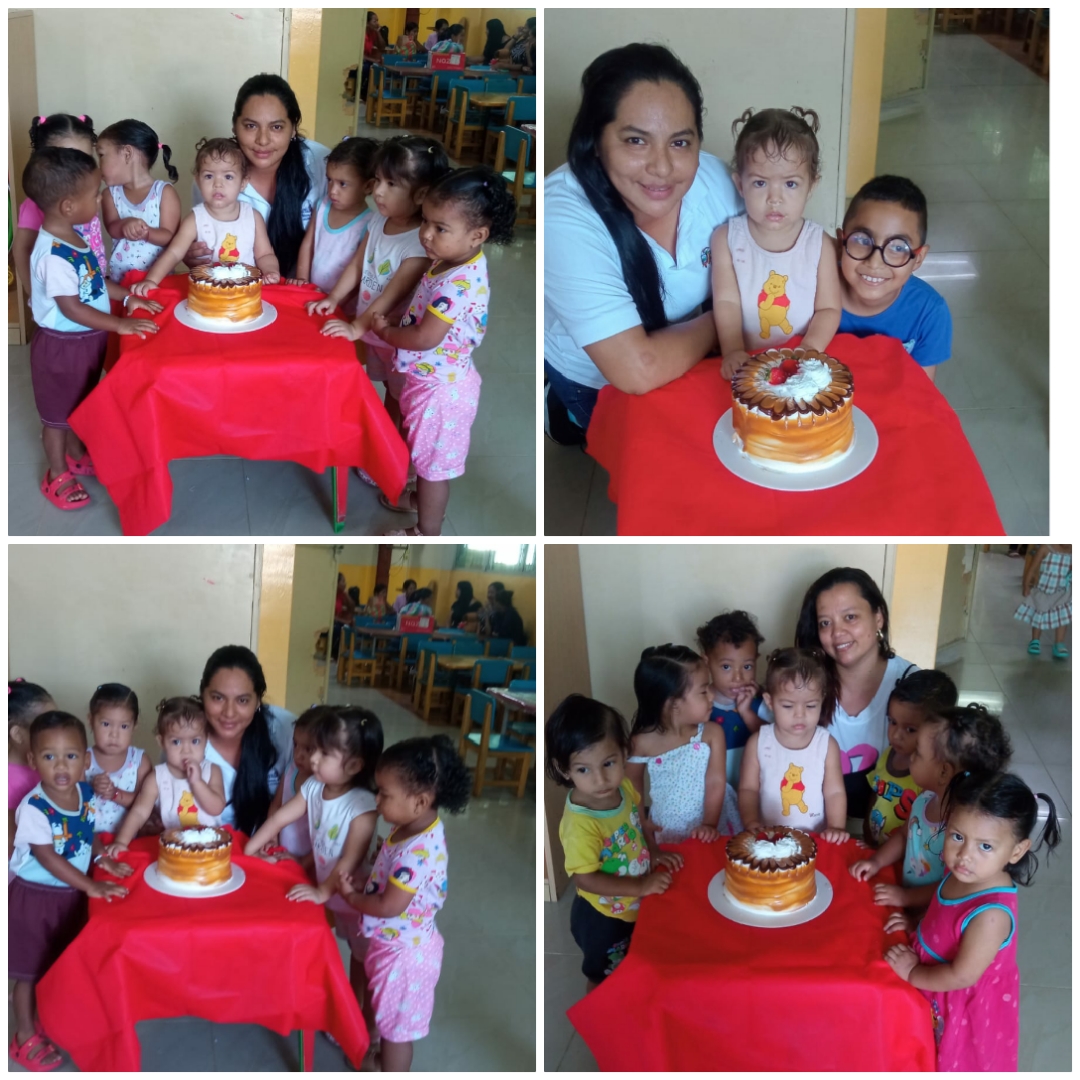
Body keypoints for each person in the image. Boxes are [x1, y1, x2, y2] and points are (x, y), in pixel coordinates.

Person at [545, 44, 742, 444]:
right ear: (596, 141)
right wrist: (728, 320)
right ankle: (563, 410)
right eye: (636, 141)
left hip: (685, 346)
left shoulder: (717, 181)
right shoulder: (563, 217)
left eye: (680, 142)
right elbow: (637, 370)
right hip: (598, 378)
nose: (662, 167)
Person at [372, 167, 517, 536]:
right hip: (435, 380)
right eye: (425, 221)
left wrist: (387, 331)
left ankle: (427, 529)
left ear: (477, 235)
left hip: (440, 392)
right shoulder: (453, 259)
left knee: (432, 469)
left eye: (440, 228)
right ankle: (419, 499)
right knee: (425, 455)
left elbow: (424, 337)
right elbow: (427, 311)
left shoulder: (458, 282)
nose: (425, 234)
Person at [884, 772, 1060, 1071]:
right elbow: (942, 904)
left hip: (960, 1002)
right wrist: (918, 928)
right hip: (936, 977)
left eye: (985, 846)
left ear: (1017, 851)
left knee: (954, 1062)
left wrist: (913, 973)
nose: (964, 855)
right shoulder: (966, 872)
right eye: (957, 836)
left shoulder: (991, 915)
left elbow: (961, 976)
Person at [22, 147, 161, 511]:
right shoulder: (53, 254)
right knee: (56, 416)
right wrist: (120, 324)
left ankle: (75, 452)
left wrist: (128, 297)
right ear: (68, 206)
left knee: (80, 401)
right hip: (61, 348)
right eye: (94, 194)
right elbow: (73, 307)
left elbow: (94, 284)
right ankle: (56, 473)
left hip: (85, 341)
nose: (100, 199)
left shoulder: (74, 238)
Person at [246, 706, 383, 1049]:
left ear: (354, 765)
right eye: (313, 750)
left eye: (324, 753)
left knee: (367, 964)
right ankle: (350, 1011)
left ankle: (368, 1029)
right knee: (353, 955)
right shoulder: (313, 787)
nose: (313, 759)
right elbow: (279, 818)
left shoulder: (362, 807)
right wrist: (251, 848)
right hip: (335, 893)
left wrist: (322, 892)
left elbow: (349, 861)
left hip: (359, 900)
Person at [335, 736, 468, 1070]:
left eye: (384, 794)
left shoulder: (416, 851)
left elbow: (388, 906)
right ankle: (374, 1051)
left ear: (420, 802)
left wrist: (352, 897)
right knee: (387, 1013)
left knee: (397, 1032)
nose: (377, 800)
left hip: (404, 958)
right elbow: (393, 883)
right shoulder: (408, 828)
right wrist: (368, 881)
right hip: (395, 946)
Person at [9, 711, 132, 1070]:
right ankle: (24, 1036)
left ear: (86, 760)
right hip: (35, 900)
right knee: (30, 972)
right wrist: (91, 884)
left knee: (57, 963)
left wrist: (102, 858)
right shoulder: (34, 807)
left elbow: (85, 833)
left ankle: (48, 1018)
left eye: (71, 756)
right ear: (33, 760)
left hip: (68, 895)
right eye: (49, 756)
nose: (61, 766)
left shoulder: (85, 792)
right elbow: (47, 857)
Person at [313, 137, 448, 439]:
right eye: (378, 180)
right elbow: (357, 264)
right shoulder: (377, 221)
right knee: (388, 387)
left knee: (401, 398)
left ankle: (397, 450)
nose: (378, 191)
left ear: (421, 194)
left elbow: (391, 296)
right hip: (375, 331)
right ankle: (386, 438)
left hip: (397, 338)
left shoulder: (418, 243)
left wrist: (356, 327)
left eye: (391, 184)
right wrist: (334, 298)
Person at [545, 694, 680, 991]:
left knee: (632, 964)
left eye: (608, 763)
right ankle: (600, 1016)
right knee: (602, 978)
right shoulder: (581, 824)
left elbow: (637, 823)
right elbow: (585, 878)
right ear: (565, 769)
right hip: (603, 917)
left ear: (624, 752)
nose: (601, 779)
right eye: (583, 769)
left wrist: (653, 850)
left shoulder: (624, 787)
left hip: (633, 903)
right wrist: (641, 886)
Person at [712, 107, 842, 379]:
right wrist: (733, 350)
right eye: (760, 183)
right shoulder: (726, 238)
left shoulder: (819, 244)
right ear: (740, 185)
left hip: (800, 365)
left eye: (790, 184)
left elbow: (828, 309)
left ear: (811, 186)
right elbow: (726, 302)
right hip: (747, 364)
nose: (775, 198)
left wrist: (809, 348)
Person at [850, 703, 1013, 912]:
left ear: (944, 772)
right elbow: (904, 836)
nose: (911, 757)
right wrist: (876, 862)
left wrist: (907, 897)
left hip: (932, 911)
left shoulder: (961, 829)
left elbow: (953, 883)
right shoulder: (925, 799)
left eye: (917, 753)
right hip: (905, 898)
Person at [794, 567, 917, 820]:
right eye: (825, 623)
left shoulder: (913, 684)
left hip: (893, 836)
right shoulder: (804, 686)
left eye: (850, 617)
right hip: (818, 832)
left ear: (878, 617)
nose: (837, 633)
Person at [182, 75, 331, 278]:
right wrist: (193, 255)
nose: (263, 140)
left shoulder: (322, 164)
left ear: (293, 128)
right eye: (251, 126)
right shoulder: (214, 178)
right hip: (241, 289)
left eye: (276, 127)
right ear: (235, 126)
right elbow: (204, 243)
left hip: (311, 289)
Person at [130, 137, 281, 296]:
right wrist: (151, 280)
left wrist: (271, 271)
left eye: (228, 177)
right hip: (207, 294)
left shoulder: (253, 217)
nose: (218, 184)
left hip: (246, 293)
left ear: (243, 182)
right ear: (198, 180)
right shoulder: (195, 219)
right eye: (209, 176)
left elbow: (265, 254)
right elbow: (174, 253)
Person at [836, 175, 951, 382]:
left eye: (898, 247)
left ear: (918, 258)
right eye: (862, 240)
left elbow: (921, 390)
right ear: (840, 243)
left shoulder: (929, 312)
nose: (875, 262)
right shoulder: (810, 289)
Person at [626, 644, 737, 843]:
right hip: (667, 828)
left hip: (712, 825)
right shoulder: (642, 742)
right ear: (673, 703)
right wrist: (641, 821)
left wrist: (709, 824)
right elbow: (632, 784)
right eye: (703, 691)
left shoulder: (712, 734)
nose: (712, 696)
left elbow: (715, 782)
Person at [738, 648, 849, 841]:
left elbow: (835, 792)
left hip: (816, 840)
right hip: (768, 839)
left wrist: (836, 827)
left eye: (811, 705)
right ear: (770, 702)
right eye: (788, 706)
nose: (800, 714)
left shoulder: (826, 744)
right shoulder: (758, 743)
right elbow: (748, 789)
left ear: (822, 699)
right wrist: (751, 822)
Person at [197, 645, 296, 836]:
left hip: (278, 846)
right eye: (218, 698)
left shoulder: (287, 730)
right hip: (210, 847)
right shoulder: (183, 743)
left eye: (242, 700)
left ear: (258, 701)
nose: (229, 713)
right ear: (203, 694)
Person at [106, 698, 227, 852]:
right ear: (161, 742)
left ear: (206, 740)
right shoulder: (157, 777)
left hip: (211, 845)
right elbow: (139, 813)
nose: (186, 750)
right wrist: (121, 842)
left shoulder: (212, 770)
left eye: (195, 741)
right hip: (173, 847)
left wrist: (197, 782)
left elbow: (216, 808)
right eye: (176, 742)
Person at [13, 115, 108, 308]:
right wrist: (33, 293)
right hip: (60, 299)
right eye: (69, 158)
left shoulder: (87, 196)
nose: (78, 168)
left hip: (91, 287)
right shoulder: (35, 205)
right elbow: (21, 249)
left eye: (85, 158)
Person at [864, 668, 958, 847]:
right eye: (892, 722)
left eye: (910, 729)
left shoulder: (931, 777)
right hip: (876, 849)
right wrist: (868, 834)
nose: (896, 735)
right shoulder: (887, 755)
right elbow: (876, 794)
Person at [295, 137, 377, 313]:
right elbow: (308, 245)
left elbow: (360, 272)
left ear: (368, 186)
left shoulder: (370, 224)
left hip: (341, 307)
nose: (332, 190)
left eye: (343, 184)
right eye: (330, 180)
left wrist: (336, 302)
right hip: (311, 294)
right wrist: (302, 283)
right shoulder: (322, 206)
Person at [97, 119, 181, 284]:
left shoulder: (164, 192)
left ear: (127, 153)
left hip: (157, 283)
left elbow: (170, 237)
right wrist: (125, 224)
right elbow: (112, 228)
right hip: (121, 283)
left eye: (101, 155)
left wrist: (146, 233)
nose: (98, 164)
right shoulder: (110, 194)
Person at [696, 610, 770, 787]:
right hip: (714, 794)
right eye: (726, 667)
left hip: (755, 793)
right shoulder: (698, 703)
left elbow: (777, 740)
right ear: (706, 662)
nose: (738, 677)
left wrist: (747, 713)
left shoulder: (762, 702)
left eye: (747, 666)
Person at [84, 683, 151, 836]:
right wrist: (90, 788)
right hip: (89, 841)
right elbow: (70, 800)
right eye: (106, 724)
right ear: (90, 721)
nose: (114, 734)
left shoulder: (139, 762)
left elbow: (145, 804)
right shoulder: (82, 759)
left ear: (134, 726)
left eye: (124, 726)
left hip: (127, 841)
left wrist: (114, 793)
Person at [8, 680, 56, 862]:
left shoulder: (49, 763)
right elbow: (10, 844)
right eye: (47, 727)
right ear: (18, 735)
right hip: (25, 866)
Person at [262, 708, 317, 865]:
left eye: (308, 749)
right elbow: (276, 805)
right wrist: (272, 837)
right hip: (284, 853)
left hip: (311, 864)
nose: (298, 754)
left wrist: (302, 862)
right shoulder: (291, 770)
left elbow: (326, 841)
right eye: (295, 744)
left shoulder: (324, 786)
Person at [1015, 543, 1071, 658]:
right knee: (1039, 614)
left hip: (1062, 591)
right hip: (1043, 589)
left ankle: (1059, 643)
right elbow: (1032, 568)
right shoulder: (1046, 548)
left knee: (1062, 616)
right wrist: (1026, 585)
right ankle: (1035, 640)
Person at [332, 572, 359, 661]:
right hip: (331, 622)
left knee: (351, 625)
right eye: (343, 581)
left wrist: (346, 594)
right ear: (336, 583)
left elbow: (352, 607)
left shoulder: (342, 595)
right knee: (338, 628)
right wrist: (344, 621)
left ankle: (350, 652)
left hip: (339, 621)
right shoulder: (331, 594)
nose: (345, 583)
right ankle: (334, 653)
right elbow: (330, 615)